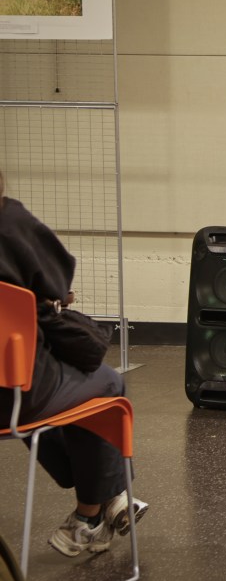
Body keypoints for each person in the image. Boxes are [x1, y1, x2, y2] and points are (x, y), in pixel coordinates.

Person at [0, 171, 148, 558]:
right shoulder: (8, 222)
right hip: (16, 397)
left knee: (69, 393)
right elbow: (55, 283)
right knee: (105, 383)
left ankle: (102, 501)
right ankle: (92, 513)